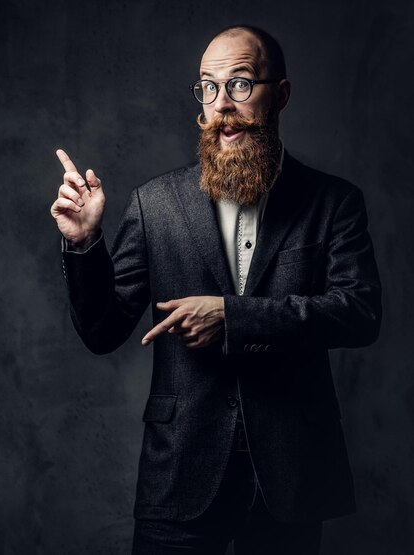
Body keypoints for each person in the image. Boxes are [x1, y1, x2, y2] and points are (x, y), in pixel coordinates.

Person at [50, 24, 381, 554]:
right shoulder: (153, 205)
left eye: (241, 84)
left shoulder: (333, 202)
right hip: (180, 473)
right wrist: (86, 244)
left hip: (291, 475)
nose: (222, 103)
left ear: (283, 94)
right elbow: (102, 331)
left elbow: (360, 312)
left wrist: (235, 316)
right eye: (208, 86)